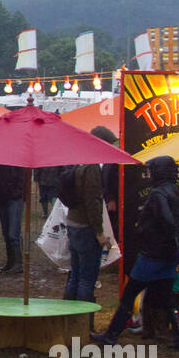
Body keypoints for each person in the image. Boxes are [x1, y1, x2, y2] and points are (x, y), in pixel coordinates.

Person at [92, 156, 179, 351]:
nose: (150, 174)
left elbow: (167, 222)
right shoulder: (175, 192)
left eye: (152, 170)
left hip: (152, 255)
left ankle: (111, 335)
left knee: (129, 295)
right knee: (168, 299)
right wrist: (176, 251)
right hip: (167, 255)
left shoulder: (157, 194)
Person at [62, 128, 117, 307]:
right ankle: (81, 328)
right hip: (86, 227)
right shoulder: (92, 167)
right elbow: (93, 203)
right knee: (87, 279)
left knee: (75, 275)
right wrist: (99, 233)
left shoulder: (78, 160)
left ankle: (70, 323)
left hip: (73, 222)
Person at [0, 164, 26, 274]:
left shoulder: (17, 162)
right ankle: (11, 262)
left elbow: (22, 180)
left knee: (12, 233)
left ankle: (18, 263)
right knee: (7, 233)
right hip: (4, 198)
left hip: (14, 198)